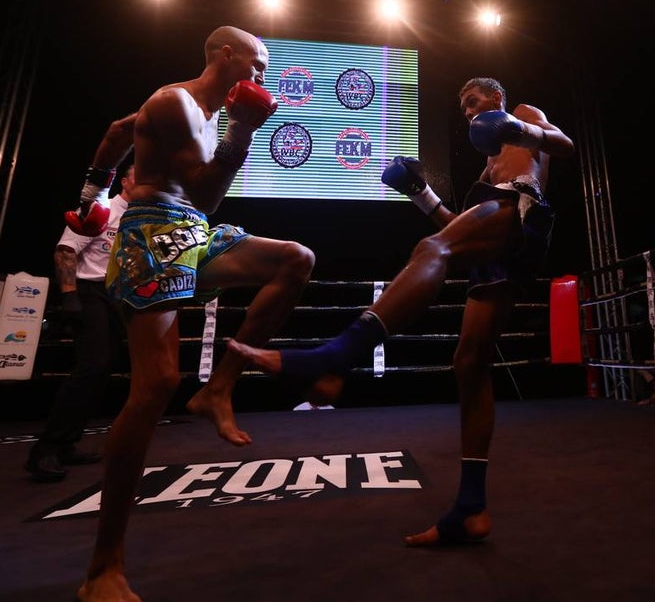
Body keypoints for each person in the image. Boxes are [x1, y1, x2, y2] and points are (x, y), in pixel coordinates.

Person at [230, 76, 574, 547]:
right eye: (462, 103)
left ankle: (336, 354)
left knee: (430, 249)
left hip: (521, 212)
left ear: (497, 98)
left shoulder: (524, 117)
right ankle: (471, 508)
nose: (467, 108)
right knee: (469, 364)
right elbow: (457, 232)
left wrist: (517, 127)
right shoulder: (487, 165)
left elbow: (566, 144)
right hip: (499, 241)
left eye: (474, 99)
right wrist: (420, 192)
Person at [75, 25, 316, 602]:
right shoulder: (175, 102)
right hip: (153, 235)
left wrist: (91, 192)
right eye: (255, 66)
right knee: (155, 384)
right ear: (224, 55)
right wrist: (244, 130)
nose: (260, 78)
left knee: (295, 261)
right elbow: (205, 192)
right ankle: (102, 569)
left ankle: (219, 388)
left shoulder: (188, 110)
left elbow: (115, 132)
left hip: (195, 233)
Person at [25, 162, 135, 483]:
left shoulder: (144, 218)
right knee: (92, 366)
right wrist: (70, 297)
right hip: (89, 293)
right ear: (125, 181)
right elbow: (65, 250)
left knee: (100, 371)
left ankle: (67, 444)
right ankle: (44, 450)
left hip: (118, 296)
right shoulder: (99, 210)